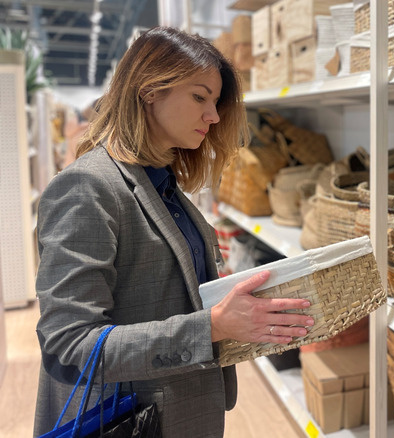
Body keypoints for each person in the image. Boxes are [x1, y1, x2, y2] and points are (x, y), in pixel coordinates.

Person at [33, 26, 314, 437]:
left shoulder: (163, 185)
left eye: (216, 102)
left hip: (179, 413)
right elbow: (69, 345)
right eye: (199, 97)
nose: (214, 116)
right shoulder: (87, 188)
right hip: (129, 421)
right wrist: (213, 325)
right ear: (150, 90)